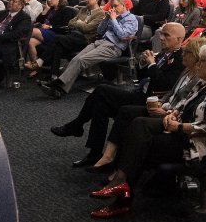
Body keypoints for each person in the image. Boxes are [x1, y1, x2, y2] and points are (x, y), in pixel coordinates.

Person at [88, 42, 206, 218]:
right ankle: (121, 185)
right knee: (138, 124)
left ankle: (121, 197)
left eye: (202, 61)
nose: (198, 65)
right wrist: (173, 114)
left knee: (140, 145)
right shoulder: (204, 85)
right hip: (179, 134)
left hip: (195, 145)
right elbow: (183, 105)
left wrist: (179, 126)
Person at [51, 23, 188, 167]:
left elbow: (163, 84)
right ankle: (94, 153)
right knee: (100, 106)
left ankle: (77, 125)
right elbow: (142, 78)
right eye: (161, 34)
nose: (161, 38)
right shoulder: (162, 54)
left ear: (179, 39)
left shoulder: (180, 59)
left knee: (102, 90)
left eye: (166, 35)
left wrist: (152, 65)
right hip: (140, 94)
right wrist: (142, 64)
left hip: (152, 102)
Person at [39, 0, 141, 98]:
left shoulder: (131, 19)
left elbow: (123, 35)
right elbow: (100, 31)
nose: (113, 9)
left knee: (82, 60)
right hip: (100, 42)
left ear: (123, 5)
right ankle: (60, 89)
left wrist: (113, 20)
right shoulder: (112, 17)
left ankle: (57, 84)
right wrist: (106, 19)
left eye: (116, 6)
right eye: (112, 6)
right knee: (76, 59)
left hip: (113, 47)